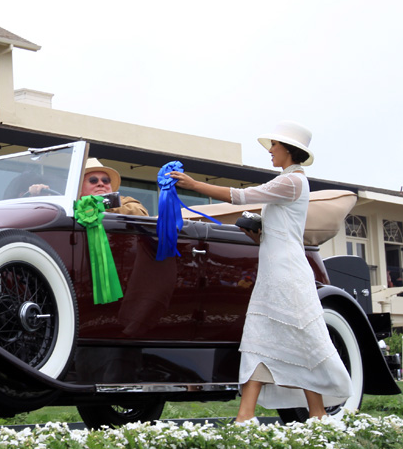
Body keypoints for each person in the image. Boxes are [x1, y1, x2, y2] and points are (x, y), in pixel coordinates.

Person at [167, 120, 352, 423]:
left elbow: (243, 196)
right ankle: (252, 416)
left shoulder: (293, 181)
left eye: (274, 146)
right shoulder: (289, 182)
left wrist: (195, 185)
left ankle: (308, 414)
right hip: (275, 272)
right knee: (263, 338)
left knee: (295, 338)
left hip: (287, 274)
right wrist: (259, 233)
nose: (270, 151)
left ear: (290, 150)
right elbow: (278, 229)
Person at [80, 158, 149, 216]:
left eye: (105, 180)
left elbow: (140, 212)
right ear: (80, 187)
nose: (101, 183)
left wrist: (105, 206)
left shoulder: (124, 201)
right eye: (93, 180)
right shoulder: (70, 205)